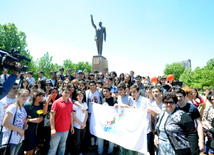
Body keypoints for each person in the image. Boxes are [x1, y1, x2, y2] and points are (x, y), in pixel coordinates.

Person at [48, 87, 74, 155]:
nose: (67, 94)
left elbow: (71, 115)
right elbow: (52, 116)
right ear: (62, 92)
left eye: (68, 93)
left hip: (66, 130)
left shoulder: (70, 103)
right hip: (57, 130)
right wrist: (52, 129)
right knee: (53, 149)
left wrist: (72, 127)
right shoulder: (56, 102)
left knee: (62, 147)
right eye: (65, 92)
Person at [130, 85, 156, 155]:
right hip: (138, 129)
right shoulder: (134, 101)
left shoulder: (145, 100)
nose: (133, 94)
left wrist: (150, 111)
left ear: (138, 91)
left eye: (134, 92)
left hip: (146, 130)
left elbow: (154, 114)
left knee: (144, 150)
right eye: (131, 92)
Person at [2, 89, 29, 155]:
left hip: (19, 139)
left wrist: (25, 125)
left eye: (26, 96)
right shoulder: (12, 107)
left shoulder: (22, 108)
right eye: (23, 95)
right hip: (11, 140)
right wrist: (19, 130)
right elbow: (5, 123)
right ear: (17, 96)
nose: (25, 97)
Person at [24, 89, 47, 155]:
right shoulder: (27, 105)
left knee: (34, 149)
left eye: (42, 96)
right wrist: (31, 120)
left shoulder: (41, 105)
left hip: (38, 130)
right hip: (29, 130)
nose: (41, 98)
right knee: (29, 149)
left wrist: (42, 118)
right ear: (34, 95)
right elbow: (22, 118)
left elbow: (44, 113)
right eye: (39, 96)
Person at [97, 86, 117, 155]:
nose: (105, 93)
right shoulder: (102, 100)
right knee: (100, 137)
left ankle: (110, 151)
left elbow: (116, 110)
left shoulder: (114, 100)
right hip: (103, 122)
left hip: (111, 123)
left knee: (111, 138)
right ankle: (100, 152)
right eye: (104, 91)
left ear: (109, 92)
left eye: (106, 91)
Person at [41, 87, 59, 155]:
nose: (54, 94)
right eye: (52, 92)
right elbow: (44, 112)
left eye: (56, 92)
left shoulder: (58, 100)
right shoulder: (45, 100)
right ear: (50, 93)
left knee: (55, 140)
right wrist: (47, 102)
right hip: (47, 123)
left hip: (56, 123)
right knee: (47, 140)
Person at [72, 91, 88, 155]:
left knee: (82, 140)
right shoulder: (74, 105)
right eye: (79, 96)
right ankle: (77, 153)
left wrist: (84, 123)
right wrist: (81, 124)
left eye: (81, 96)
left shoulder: (85, 104)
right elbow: (73, 117)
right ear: (76, 97)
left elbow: (86, 114)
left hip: (83, 125)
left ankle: (81, 152)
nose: (80, 97)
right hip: (76, 125)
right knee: (77, 141)